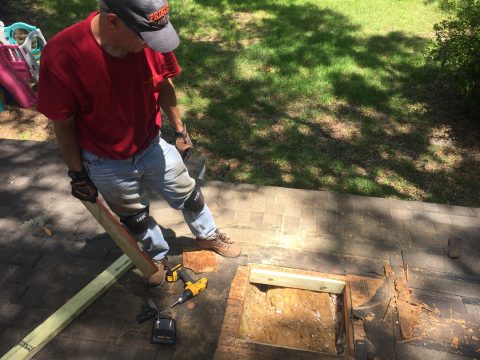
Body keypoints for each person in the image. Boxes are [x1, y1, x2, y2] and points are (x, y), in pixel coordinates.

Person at [37, 0, 241, 286]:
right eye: (144, 37)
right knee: (135, 218)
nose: (152, 45)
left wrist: (180, 131)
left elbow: (164, 84)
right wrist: (77, 173)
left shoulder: (150, 36)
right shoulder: (63, 56)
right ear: (113, 22)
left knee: (189, 194)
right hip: (104, 158)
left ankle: (208, 236)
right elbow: (63, 122)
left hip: (151, 144)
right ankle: (154, 255)